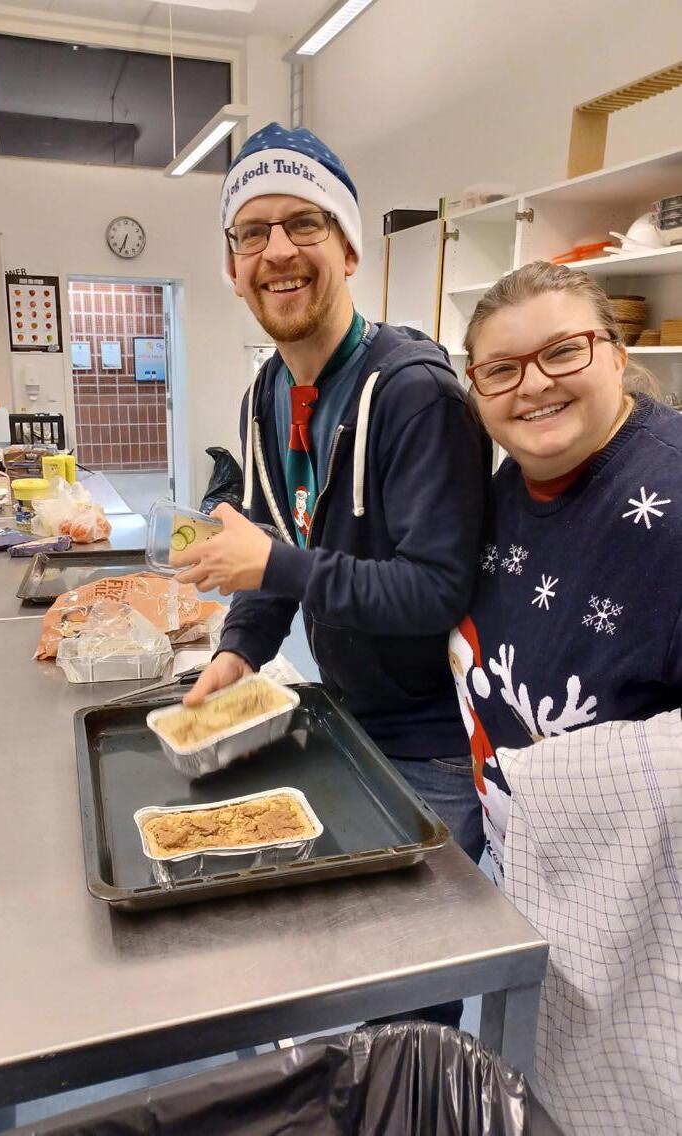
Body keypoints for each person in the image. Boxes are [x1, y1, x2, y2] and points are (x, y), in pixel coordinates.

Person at [172, 122, 491, 880]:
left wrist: (274, 565)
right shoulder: (266, 394)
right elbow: (273, 548)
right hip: (346, 714)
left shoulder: (416, 395)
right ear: (234, 269)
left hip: (432, 746)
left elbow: (436, 590)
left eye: (304, 223)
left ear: (348, 250)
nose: (277, 250)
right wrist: (240, 651)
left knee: (407, 951)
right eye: (252, 233)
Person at [453, 260, 682, 1132]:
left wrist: (559, 782)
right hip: (535, 882)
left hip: (643, 930)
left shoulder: (667, 498)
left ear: (616, 354)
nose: (533, 385)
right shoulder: (507, 489)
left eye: (562, 352)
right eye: (500, 369)